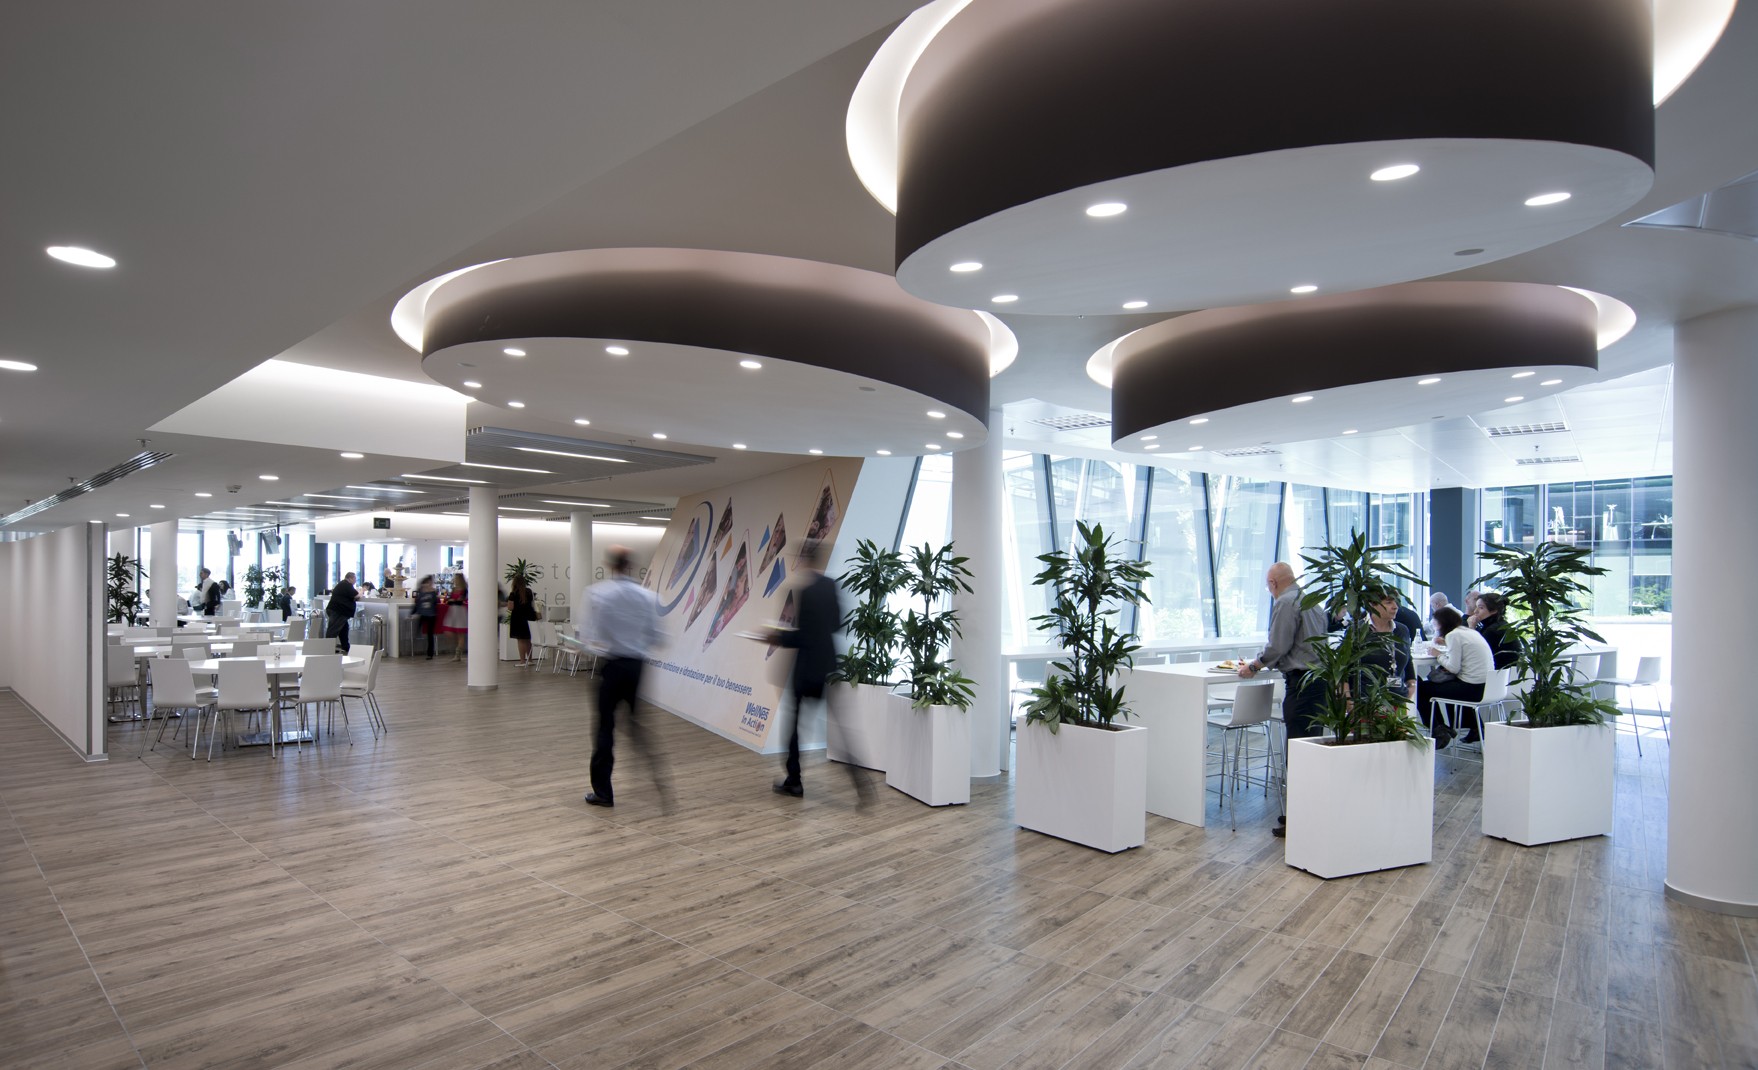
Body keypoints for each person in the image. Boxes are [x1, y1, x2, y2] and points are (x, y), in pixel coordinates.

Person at [766, 542, 874, 805]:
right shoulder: (830, 586)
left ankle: (794, 780)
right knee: (841, 727)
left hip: (806, 670)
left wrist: (777, 637)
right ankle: (862, 784)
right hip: (827, 665)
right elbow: (837, 624)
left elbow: (803, 636)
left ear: (804, 560)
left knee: (794, 728)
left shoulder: (803, 591)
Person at [1239, 561, 1328, 837]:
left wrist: (1254, 666)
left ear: (1273, 583)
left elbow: (1278, 645)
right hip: (1319, 682)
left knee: (1298, 751)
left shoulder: (1286, 602)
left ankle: (1300, 821)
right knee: (1311, 748)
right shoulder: (1312, 602)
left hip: (1301, 684)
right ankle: (1308, 815)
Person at [583, 547, 671, 811]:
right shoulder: (648, 597)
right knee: (636, 725)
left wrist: (600, 645)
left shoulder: (598, 594)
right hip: (636, 667)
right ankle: (660, 782)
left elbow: (590, 637)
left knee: (605, 728)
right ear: (630, 565)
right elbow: (658, 637)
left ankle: (603, 792)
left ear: (611, 565)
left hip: (612, 666)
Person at [1417, 605, 1494, 748]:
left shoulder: (1453, 635)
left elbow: (1453, 668)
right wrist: (1446, 643)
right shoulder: (1467, 632)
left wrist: (1438, 655)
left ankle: (1438, 729)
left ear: (1442, 623)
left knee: (1420, 688)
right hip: (1486, 687)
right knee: (1433, 686)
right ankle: (1445, 728)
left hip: (1470, 689)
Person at [1473, 590, 1521, 670]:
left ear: (1494, 611)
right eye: (1476, 607)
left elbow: (1474, 653)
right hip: (1505, 672)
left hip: (1498, 674)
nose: (1475, 611)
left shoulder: (1494, 630)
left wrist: (1471, 628)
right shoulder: (1501, 625)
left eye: (1481, 608)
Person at [506, 576, 537, 666]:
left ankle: (522, 661)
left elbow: (510, 607)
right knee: (528, 639)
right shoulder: (529, 592)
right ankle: (530, 660)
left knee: (521, 640)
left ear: (514, 583)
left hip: (518, 619)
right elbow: (532, 603)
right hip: (529, 618)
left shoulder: (513, 593)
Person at [326, 571, 358, 654]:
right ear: (350, 578)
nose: (355, 580)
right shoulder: (346, 585)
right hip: (339, 611)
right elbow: (356, 595)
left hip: (337, 610)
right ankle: (327, 649)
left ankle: (346, 647)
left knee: (344, 629)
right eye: (355, 578)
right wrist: (362, 591)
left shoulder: (342, 584)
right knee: (333, 630)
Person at [440, 573, 468, 661]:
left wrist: (453, 600)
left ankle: (458, 654)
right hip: (452, 611)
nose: (455, 580)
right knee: (449, 631)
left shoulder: (464, 590)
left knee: (460, 633)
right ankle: (456, 649)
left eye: (456, 579)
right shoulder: (453, 589)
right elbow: (449, 600)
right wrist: (452, 600)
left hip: (460, 612)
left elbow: (460, 601)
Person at [413, 576, 439, 660]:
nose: (429, 584)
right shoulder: (421, 591)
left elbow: (436, 602)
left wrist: (433, 592)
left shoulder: (433, 592)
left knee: (430, 634)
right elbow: (417, 603)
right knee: (417, 631)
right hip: (422, 614)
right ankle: (415, 647)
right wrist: (413, 613)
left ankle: (430, 654)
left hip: (431, 615)